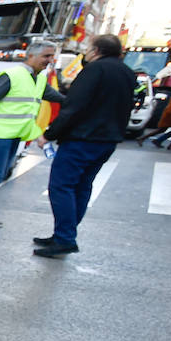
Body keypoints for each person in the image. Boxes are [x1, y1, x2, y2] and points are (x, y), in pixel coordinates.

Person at [32, 34, 135, 259]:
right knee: (81, 187)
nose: (86, 52)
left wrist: (49, 135)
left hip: (82, 139)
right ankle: (64, 234)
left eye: (89, 48)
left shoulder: (94, 70)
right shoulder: (127, 73)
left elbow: (74, 107)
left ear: (96, 50)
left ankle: (65, 238)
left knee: (61, 186)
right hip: (107, 140)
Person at [0, 41, 58, 234]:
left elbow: (59, 97)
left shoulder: (39, 79)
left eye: (51, 56)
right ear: (31, 56)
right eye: (46, 56)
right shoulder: (12, 75)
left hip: (15, 135)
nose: (50, 61)